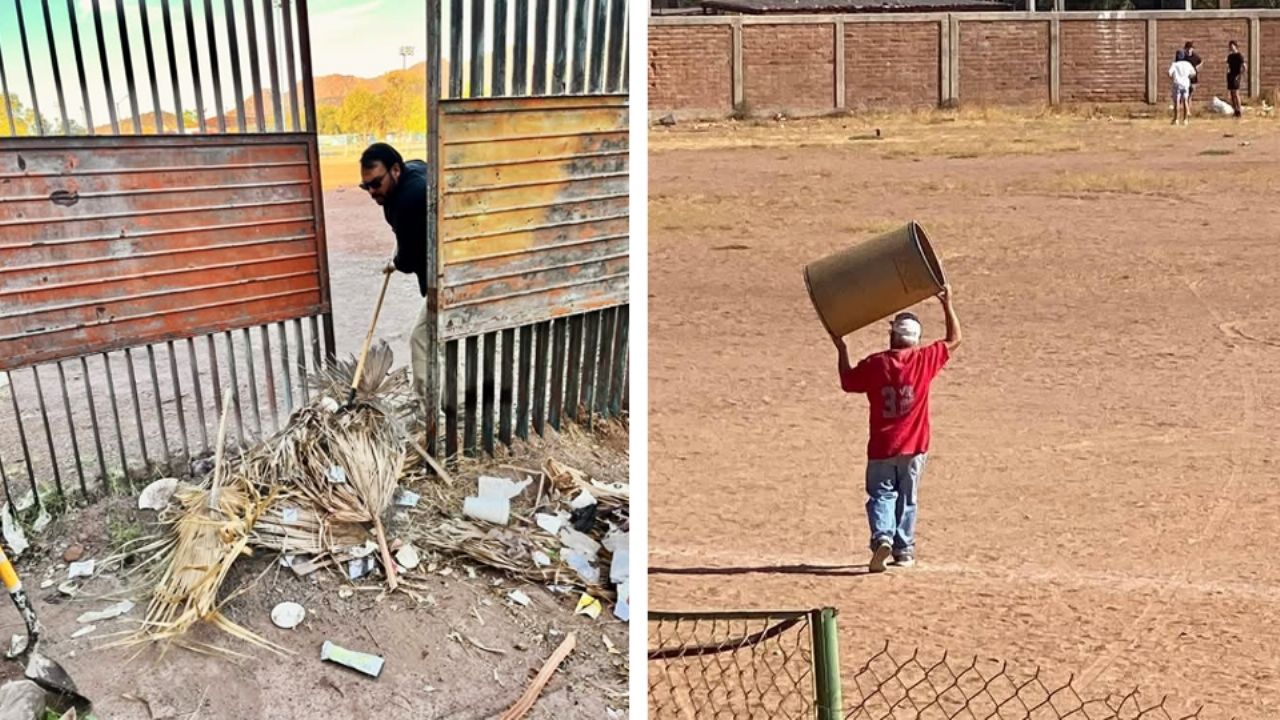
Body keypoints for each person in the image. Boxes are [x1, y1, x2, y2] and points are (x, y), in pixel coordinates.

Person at [832, 285, 961, 573]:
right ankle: (904, 550)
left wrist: (842, 349)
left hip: (882, 446)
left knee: (881, 494)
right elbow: (955, 339)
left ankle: (882, 536)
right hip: (915, 446)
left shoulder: (876, 364)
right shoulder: (924, 360)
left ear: (893, 336)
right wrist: (947, 303)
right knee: (907, 498)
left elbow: (847, 381)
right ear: (915, 340)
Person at [359, 142, 430, 398]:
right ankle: (446, 404)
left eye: (376, 183)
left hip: (452, 274)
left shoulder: (406, 201)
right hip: (454, 264)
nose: (371, 191)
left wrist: (396, 263)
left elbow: (409, 260)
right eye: (366, 185)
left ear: (396, 171)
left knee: (422, 340)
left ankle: (429, 413)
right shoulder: (414, 168)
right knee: (439, 342)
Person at [1169, 54, 1197, 126]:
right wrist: (1187, 77)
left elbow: (1169, 73)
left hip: (1177, 84)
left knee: (1177, 101)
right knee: (1185, 100)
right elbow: (1193, 73)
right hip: (1185, 84)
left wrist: (1173, 78)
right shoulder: (1188, 64)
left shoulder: (1175, 64)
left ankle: (1176, 119)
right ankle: (1185, 120)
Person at [1226, 40, 1246, 118]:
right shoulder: (1230, 56)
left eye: (1232, 46)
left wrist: (1240, 74)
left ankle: (1239, 110)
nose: (1231, 47)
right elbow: (1228, 66)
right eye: (1230, 46)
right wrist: (1227, 72)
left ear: (1235, 46)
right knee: (1231, 93)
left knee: (1236, 93)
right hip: (1230, 75)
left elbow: (1244, 66)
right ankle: (1235, 110)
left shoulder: (1239, 55)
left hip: (1236, 75)